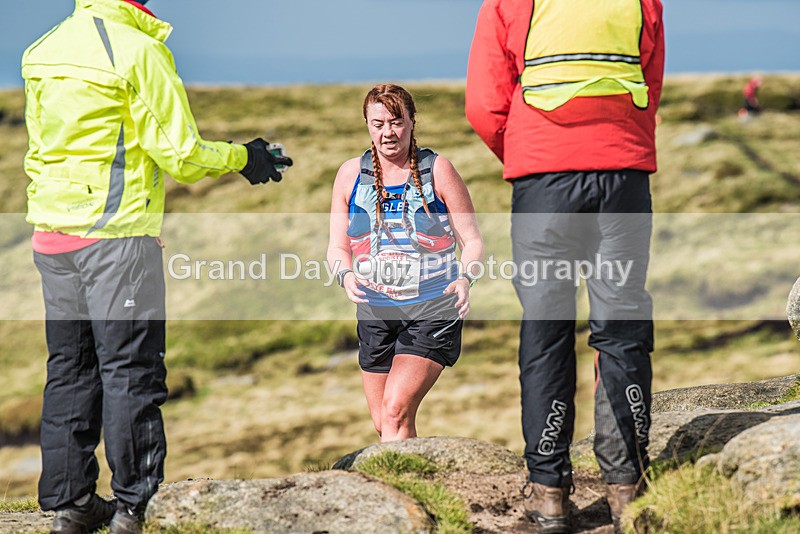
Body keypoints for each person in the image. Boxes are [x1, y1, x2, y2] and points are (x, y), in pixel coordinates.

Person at [21, 1, 292, 533]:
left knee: (70, 370)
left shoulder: (43, 48)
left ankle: (70, 503)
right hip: (117, 240)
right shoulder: (140, 51)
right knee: (130, 371)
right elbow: (182, 154)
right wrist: (246, 157)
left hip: (52, 237)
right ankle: (134, 506)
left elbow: (42, 148)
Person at [466, 0, 664, 532]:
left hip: (543, 184)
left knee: (547, 329)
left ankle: (550, 494)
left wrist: (530, 150)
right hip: (622, 176)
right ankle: (626, 490)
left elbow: (484, 105)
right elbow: (651, 85)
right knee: (621, 327)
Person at [327, 84, 483, 443]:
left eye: (396, 122)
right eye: (377, 123)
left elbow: (472, 241)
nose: (387, 133)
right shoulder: (350, 174)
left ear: (413, 121)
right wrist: (345, 274)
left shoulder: (437, 169)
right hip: (375, 312)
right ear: (366, 124)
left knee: (396, 410)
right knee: (386, 423)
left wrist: (465, 279)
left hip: (433, 306)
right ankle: (416, 484)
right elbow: (336, 248)